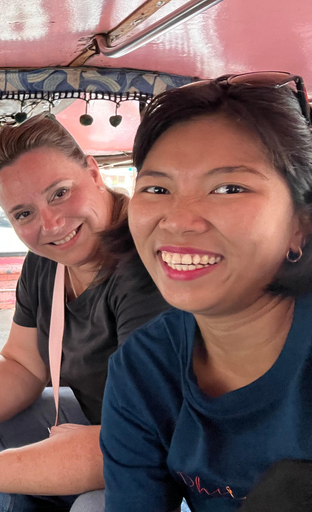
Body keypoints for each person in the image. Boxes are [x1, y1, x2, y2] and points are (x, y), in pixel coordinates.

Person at [0, 115, 170, 511]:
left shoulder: (146, 266)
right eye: (23, 214)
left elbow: (142, 441)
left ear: (93, 172)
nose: (52, 224)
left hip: (171, 455)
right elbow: (22, 363)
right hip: (103, 430)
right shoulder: (46, 262)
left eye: (60, 193)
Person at [100, 73, 312, 511]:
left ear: (300, 225)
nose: (179, 221)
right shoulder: (144, 367)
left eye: (228, 188)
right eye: (157, 188)